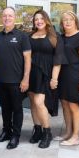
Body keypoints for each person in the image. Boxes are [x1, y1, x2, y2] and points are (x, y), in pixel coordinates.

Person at [0, 7, 31, 149]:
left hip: (17, 81)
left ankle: (16, 136)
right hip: (1, 81)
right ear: (1, 18)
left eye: (10, 15)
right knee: (5, 109)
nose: (7, 18)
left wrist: (25, 79)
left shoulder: (22, 37)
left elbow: (28, 59)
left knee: (17, 109)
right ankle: (6, 132)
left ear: (15, 18)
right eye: (4, 16)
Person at [28, 10, 66, 149]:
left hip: (46, 73)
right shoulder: (30, 35)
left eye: (41, 18)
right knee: (32, 102)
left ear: (46, 20)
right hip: (31, 73)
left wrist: (54, 79)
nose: (38, 21)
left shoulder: (54, 37)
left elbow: (58, 60)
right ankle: (37, 130)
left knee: (39, 102)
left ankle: (47, 132)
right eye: (36, 19)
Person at [57, 11, 79, 146]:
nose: (67, 22)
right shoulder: (61, 37)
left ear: (75, 22)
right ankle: (68, 132)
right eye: (64, 20)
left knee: (73, 105)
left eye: (70, 20)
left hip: (74, 75)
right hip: (62, 75)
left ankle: (76, 136)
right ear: (61, 23)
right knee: (65, 105)